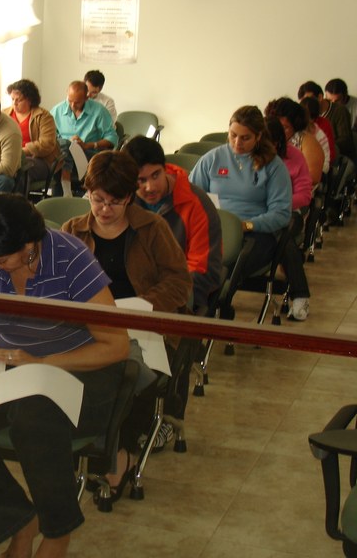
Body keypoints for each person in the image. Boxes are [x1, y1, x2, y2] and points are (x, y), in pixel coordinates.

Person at [0, 193, 129, 558]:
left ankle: (57, 531)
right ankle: (19, 521)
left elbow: (116, 345)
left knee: (33, 419)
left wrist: (44, 362)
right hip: (13, 362)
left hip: (80, 367)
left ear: (30, 242)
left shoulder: (69, 258)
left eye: (2, 260)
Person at [62, 151, 192, 467]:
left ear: (130, 197)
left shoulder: (152, 228)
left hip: (144, 324)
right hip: (89, 327)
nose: (105, 209)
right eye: (97, 199)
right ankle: (92, 442)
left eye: (115, 202)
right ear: (87, 193)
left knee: (127, 371)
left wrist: (142, 305)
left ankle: (122, 450)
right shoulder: (73, 230)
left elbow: (179, 281)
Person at [190, 105, 312, 321]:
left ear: (258, 136)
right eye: (233, 136)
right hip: (216, 230)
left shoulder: (273, 166)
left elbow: (281, 214)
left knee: (229, 262)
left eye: (245, 138)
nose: (237, 143)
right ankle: (203, 310)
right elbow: (192, 198)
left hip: (256, 232)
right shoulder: (212, 159)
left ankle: (218, 306)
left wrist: (247, 225)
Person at [122, 135, 222, 310]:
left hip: (178, 295)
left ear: (165, 168)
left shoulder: (196, 204)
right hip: (132, 291)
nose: (150, 187)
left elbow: (203, 270)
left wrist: (156, 298)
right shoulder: (123, 201)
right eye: (141, 180)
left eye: (155, 175)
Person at [50, 80, 118, 197]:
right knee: (65, 145)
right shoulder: (57, 110)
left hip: (88, 154)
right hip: (63, 154)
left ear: (86, 98)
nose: (72, 105)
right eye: (69, 101)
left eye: (77, 102)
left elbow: (112, 138)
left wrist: (88, 145)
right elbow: (49, 136)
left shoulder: (99, 111)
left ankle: (66, 188)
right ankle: (63, 194)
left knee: (64, 149)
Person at [4, 79, 60, 185]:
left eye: (19, 100)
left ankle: (18, 201)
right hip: (9, 157)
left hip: (38, 160)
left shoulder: (43, 116)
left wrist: (21, 152)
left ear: (30, 100)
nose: (14, 104)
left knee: (20, 170)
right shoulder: (5, 114)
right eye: (12, 99)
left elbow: (47, 144)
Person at [265, 116, 312, 242]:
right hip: (254, 210)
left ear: (278, 143)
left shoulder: (295, 156)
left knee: (279, 233)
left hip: (288, 210)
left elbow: (304, 196)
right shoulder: (247, 156)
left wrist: (276, 204)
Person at [264, 97, 325, 186]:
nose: (278, 130)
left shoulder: (306, 141)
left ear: (295, 127)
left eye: (284, 128)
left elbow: (313, 177)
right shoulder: (264, 138)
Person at [298, 80, 355, 161]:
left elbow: (345, 140)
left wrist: (325, 146)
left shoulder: (340, 111)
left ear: (320, 97)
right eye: (303, 102)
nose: (307, 104)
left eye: (309, 99)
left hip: (340, 160)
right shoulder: (306, 116)